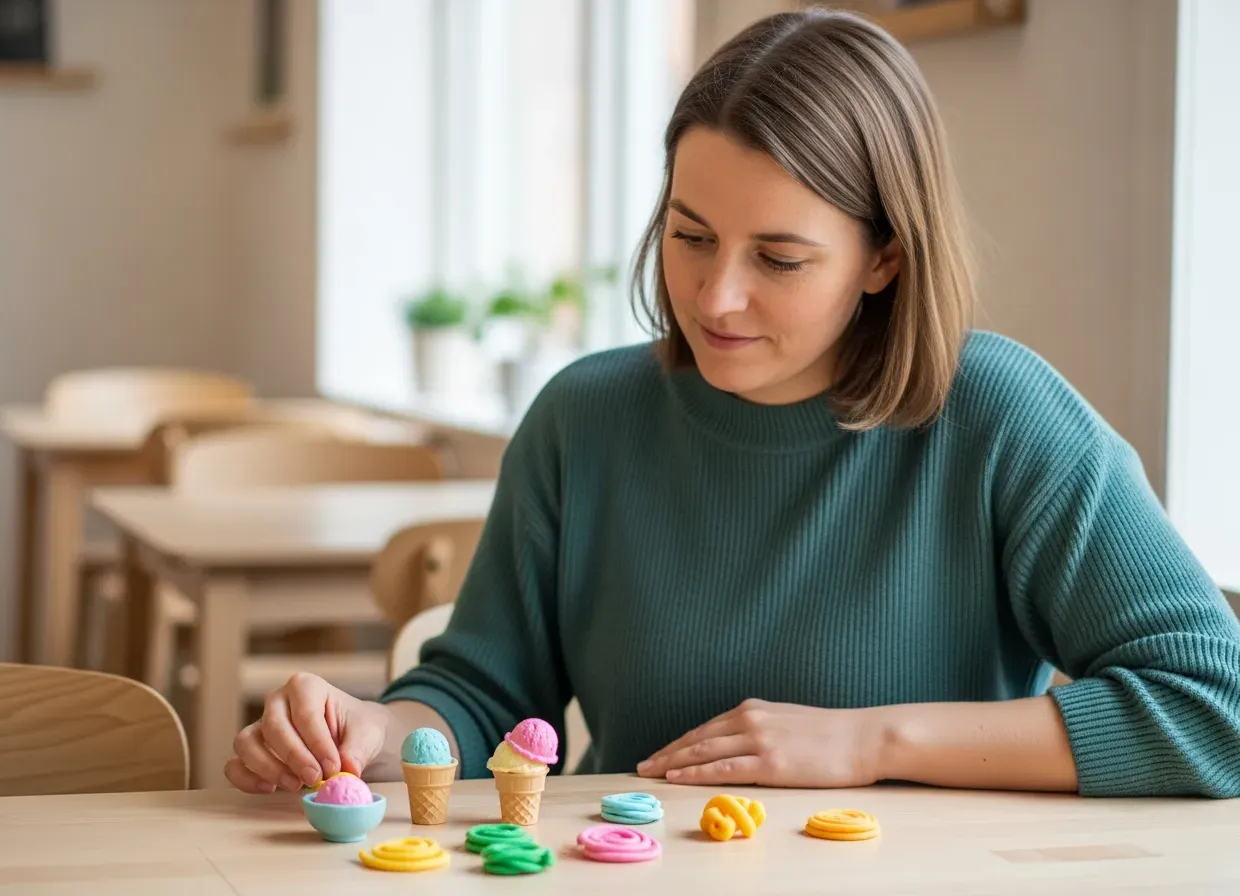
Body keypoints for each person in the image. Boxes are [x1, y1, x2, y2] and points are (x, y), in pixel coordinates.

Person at [226, 8, 1240, 798]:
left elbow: (1214, 705)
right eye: (690, 234)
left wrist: (866, 740)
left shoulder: (1003, 418)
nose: (714, 296)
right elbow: (483, 698)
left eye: (779, 257)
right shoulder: (584, 421)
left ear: (884, 254)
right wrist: (371, 727)